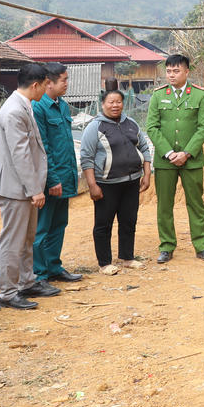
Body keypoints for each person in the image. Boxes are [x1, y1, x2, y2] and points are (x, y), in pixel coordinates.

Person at [0, 63, 57, 310]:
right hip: (15, 187)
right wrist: (35, 189)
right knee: (13, 240)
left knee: (27, 237)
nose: (47, 89)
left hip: (24, 186)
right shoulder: (13, 111)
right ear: (35, 85)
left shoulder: (24, 105)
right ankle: (8, 293)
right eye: (46, 85)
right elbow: (20, 155)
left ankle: (26, 282)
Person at [146, 54, 204, 264]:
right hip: (164, 161)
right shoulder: (158, 96)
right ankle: (166, 246)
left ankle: (202, 246)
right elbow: (151, 127)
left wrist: (186, 153)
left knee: (195, 203)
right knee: (164, 205)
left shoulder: (199, 95)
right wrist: (168, 153)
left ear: (187, 72)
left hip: (191, 160)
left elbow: (203, 128)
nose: (172, 75)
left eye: (176, 71)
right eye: (168, 71)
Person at [79, 89, 153, 274]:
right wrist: (92, 185)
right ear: (102, 104)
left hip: (131, 182)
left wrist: (147, 174)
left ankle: (127, 257)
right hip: (106, 184)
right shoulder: (94, 127)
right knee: (104, 223)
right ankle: (104, 263)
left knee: (129, 220)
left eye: (118, 101)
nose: (115, 105)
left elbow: (144, 147)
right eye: (111, 102)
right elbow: (86, 157)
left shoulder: (131, 124)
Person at [32, 62, 82, 284]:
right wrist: (52, 178)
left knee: (59, 224)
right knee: (42, 227)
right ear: (48, 83)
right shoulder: (38, 107)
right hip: (49, 180)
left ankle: (54, 267)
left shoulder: (61, 105)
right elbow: (43, 148)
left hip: (65, 176)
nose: (67, 84)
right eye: (64, 80)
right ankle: (39, 274)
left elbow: (65, 144)